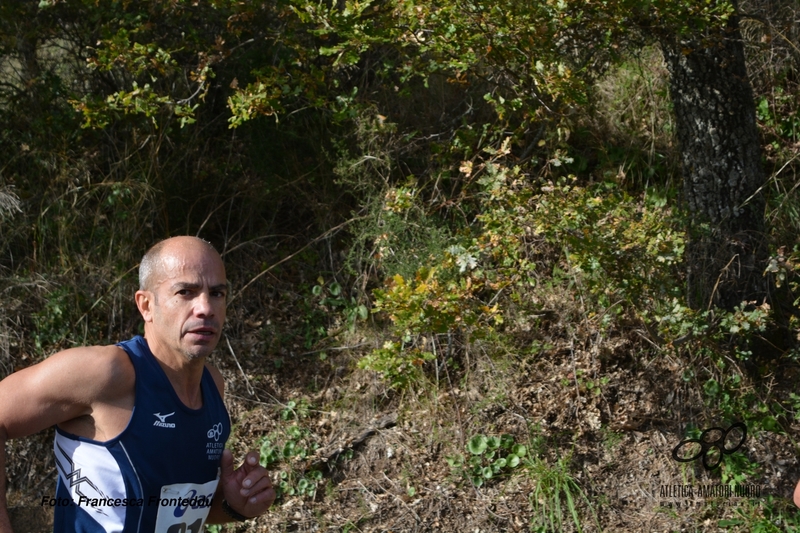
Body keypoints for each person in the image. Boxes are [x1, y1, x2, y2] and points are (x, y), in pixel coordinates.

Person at [0, 236, 275, 532]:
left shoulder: (212, 385)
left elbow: (169, 509)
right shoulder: (107, 373)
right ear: (146, 305)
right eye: (185, 292)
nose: (205, 307)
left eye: (217, 293)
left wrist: (232, 505)